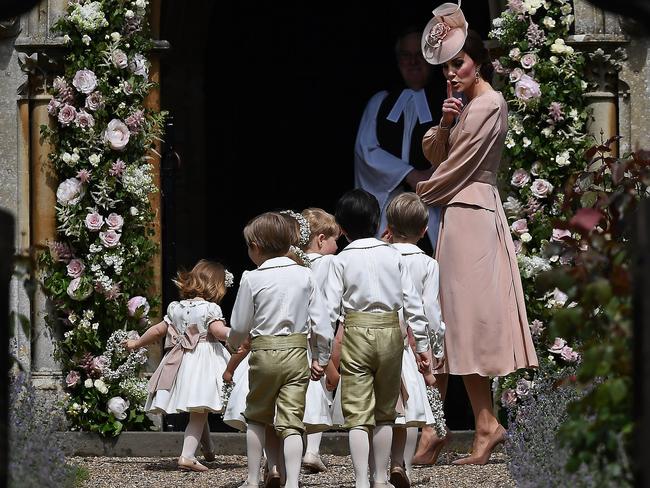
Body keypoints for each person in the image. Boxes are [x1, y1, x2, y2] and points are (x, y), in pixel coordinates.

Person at [415, 3, 539, 465]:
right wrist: (445, 120)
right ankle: (449, 425)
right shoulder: (466, 104)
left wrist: (415, 196)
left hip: (472, 213)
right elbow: (436, 152)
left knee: (462, 319)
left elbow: (458, 165)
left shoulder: (489, 103)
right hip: (459, 215)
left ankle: (472, 425)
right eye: (446, 66)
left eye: (458, 63)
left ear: (478, 61)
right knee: (448, 321)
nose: (450, 73)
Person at [324, 189, 432, 488]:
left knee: (358, 412)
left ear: (342, 228)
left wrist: (322, 352)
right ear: (377, 221)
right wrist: (422, 346)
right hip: (391, 333)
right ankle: (381, 478)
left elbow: (329, 310)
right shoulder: (393, 255)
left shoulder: (340, 261)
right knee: (386, 412)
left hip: (356, 331)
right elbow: (413, 303)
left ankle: (361, 479)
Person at [227, 211, 333, 488]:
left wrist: (233, 343)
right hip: (297, 353)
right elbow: (321, 322)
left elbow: (239, 323)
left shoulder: (251, 278)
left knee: (256, 417)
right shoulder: (304, 276)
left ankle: (252, 479)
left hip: (263, 353)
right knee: (292, 421)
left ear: (257, 247)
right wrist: (321, 357)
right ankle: (293, 482)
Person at [125, 259, 233, 472]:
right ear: (216, 286)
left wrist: (136, 343)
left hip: (180, 360)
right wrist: (239, 335)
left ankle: (208, 449)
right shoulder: (210, 309)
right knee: (200, 409)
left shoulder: (176, 308)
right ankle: (187, 456)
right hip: (203, 361)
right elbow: (220, 333)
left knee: (199, 407)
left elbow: (158, 330)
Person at [354, 25, 446, 255]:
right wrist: (409, 174)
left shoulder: (447, 102)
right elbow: (366, 151)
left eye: (420, 55)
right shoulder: (381, 102)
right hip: (391, 208)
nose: (413, 62)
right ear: (398, 61)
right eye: (406, 55)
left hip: (434, 210)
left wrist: (432, 178)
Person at [381, 192, 446, 487]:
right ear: (424, 230)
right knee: (409, 413)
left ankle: (376, 469)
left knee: (383, 410)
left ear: (389, 226)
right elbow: (430, 310)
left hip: (379, 338)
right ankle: (402, 466)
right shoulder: (428, 264)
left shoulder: (381, 257)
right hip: (410, 345)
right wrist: (436, 347)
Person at [299, 208, 341, 474]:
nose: (338, 247)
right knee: (321, 389)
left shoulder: (293, 262)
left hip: (295, 335)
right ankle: (311, 450)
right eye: (336, 240)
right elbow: (331, 303)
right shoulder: (329, 264)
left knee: (294, 392)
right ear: (321, 239)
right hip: (319, 333)